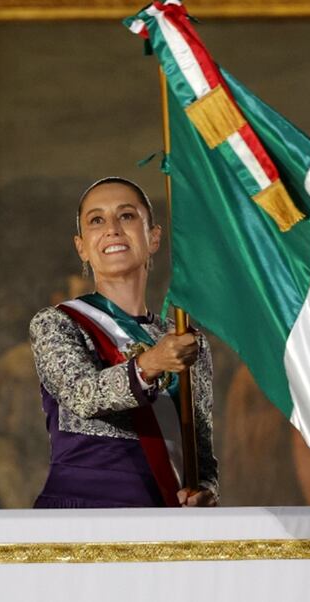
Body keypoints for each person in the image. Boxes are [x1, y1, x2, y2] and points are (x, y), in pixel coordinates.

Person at [29, 176, 218, 508]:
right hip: (82, 517)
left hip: (165, 520)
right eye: (96, 220)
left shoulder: (185, 342)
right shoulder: (57, 323)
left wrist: (204, 489)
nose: (112, 228)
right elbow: (82, 396)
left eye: (127, 215)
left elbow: (200, 450)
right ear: (82, 247)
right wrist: (150, 364)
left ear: (154, 237)